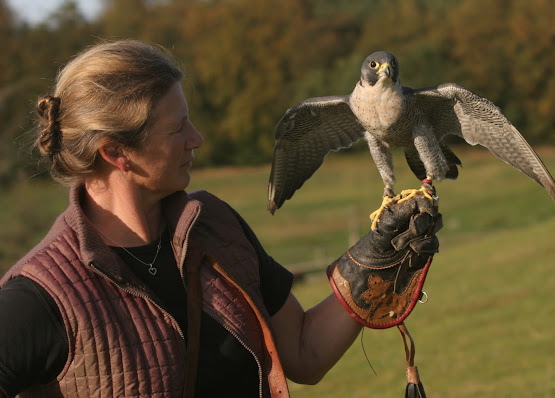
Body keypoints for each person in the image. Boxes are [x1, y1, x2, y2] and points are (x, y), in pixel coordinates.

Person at [0, 40, 442, 398]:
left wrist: (380, 258)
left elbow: (305, 352)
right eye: (177, 130)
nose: (198, 139)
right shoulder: (41, 296)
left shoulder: (215, 227)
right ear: (116, 152)